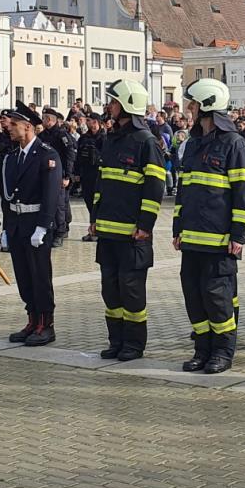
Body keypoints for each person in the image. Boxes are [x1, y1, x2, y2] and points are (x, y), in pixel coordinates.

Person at [173, 78, 245, 374]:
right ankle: (202, 350)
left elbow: (244, 194)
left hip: (219, 240)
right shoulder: (194, 143)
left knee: (217, 298)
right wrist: (177, 228)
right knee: (194, 297)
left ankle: (222, 351)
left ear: (207, 105)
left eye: (193, 104)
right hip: (193, 238)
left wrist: (239, 235)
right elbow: (184, 189)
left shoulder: (234, 144)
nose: (189, 109)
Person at [90, 80, 166, 362]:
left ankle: (134, 344)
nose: (109, 105)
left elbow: (155, 188)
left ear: (127, 104)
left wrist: (145, 226)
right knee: (110, 290)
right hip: (108, 232)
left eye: (113, 101)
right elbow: (101, 182)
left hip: (133, 236)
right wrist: (95, 218)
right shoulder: (111, 139)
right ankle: (116, 340)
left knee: (131, 292)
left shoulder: (146, 142)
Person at [0, 102, 64, 346]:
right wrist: (6, 227)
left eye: (14, 125)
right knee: (24, 276)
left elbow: (51, 194)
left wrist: (43, 226)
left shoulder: (47, 154)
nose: (10, 129)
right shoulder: (12, 157)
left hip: (36, 224)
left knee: (39, 277)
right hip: (17, 224)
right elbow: (6, 196)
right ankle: (32, 318)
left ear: (27, 127)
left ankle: (46, 324)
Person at [37, 107, 77, 249]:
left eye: (44, 118)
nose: (42, 121)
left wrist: (68, 176)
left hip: (60, 174)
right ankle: (51, 228)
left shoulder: (61, 135)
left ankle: (60, 232)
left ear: (50, 120)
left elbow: (70, 156)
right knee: (49, 203)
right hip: (47, 174)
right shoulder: (42, 136)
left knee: (60, 204)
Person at [75, 113, 103, 240]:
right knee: (89, 201)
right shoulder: (84, 138)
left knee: (99, 204)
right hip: (87, 174)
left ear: (96, 122)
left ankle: (98, 230)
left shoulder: (105, 137)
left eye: (89, 120)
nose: (87, 122)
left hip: (100, 175)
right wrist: (76, 173)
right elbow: (78, 156)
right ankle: (93, 229)